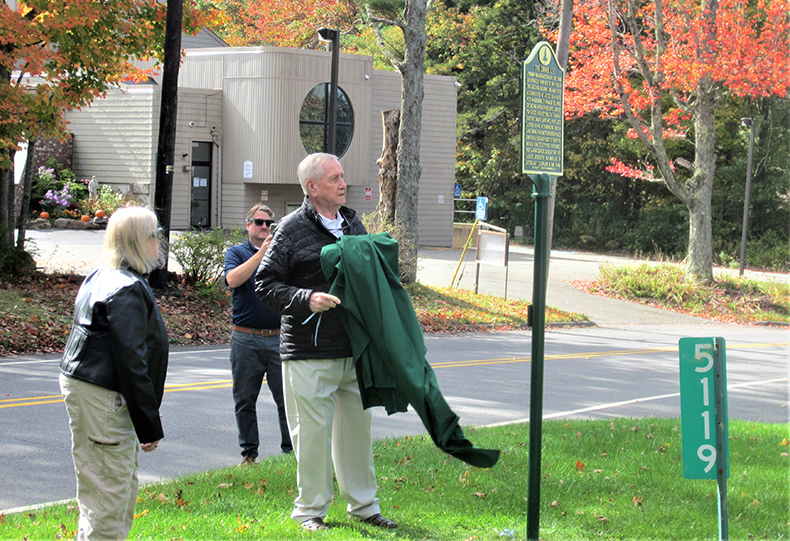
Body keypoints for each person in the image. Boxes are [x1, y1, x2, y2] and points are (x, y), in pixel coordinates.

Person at [255, 153, 397, 531]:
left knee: (357, 432)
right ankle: (310, 511)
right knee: (313, 435)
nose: (342, 183)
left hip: (352, 347)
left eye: (342, 176)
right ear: (312, 187)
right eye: (334, 178)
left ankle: (365, 507)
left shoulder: (353, 223)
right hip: (308, 350)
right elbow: (265, 285)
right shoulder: (289, 229)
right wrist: (307, 298)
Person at [59, 206, 169, 540]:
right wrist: (148, 424)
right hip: (105, 397)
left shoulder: (102, 276)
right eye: (156, 235)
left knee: (103, 489)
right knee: (110, 494)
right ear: (139, 241)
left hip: (94, 391)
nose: (160, 242)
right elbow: (131, 361)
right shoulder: (124, 288)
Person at [224, 203, 292, 464]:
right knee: (244, 399)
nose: (264, 227)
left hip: (278, 337)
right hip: (245, 338)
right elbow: (233, 280)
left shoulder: (280, 255)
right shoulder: (237, 252)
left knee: (286, 399)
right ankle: (249, 454)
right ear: (248, 225)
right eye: (258, 222)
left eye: (268, 223)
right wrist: (260, 254)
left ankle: (290, 452)